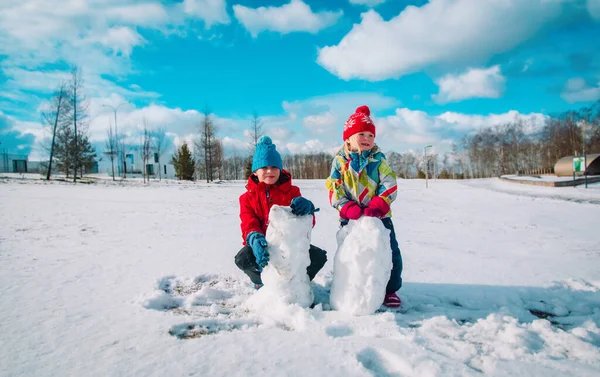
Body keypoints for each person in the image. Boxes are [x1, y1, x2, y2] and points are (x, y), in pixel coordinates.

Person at [325, 105, 403, 308]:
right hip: (350, 218)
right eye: (361, 134)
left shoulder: (379, 160)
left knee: (390, 253)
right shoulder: (340, 162)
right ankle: (349, 287)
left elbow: (389, 183)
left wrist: (380, 204)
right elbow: (334, 187)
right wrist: (345, 206)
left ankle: (390, 289)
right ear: (348, 138)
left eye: (370, 135)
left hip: (379, 218)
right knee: (352, 255)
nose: (367, 138)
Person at [235, 136, 327, 289]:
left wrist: (308, 210)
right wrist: (255, 239)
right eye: (264, 167)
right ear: (256, 172)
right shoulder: (246, 198)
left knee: (318, 257)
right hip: (263, 248)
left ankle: (297, 282)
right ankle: (262, 282)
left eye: (274, 167)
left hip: (288, 248)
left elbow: (307, 225)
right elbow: (247, 222)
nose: (270, 171)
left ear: (280, 169)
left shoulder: (292, 192)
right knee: (243, 258)